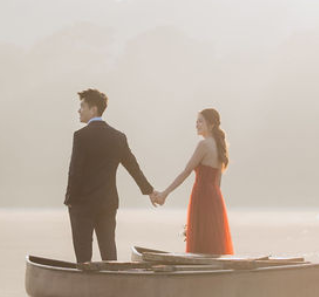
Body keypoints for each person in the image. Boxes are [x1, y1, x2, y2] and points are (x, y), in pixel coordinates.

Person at [64, 88, 157, 262]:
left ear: (94, 109)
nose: (79, 110)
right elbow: (133, 167)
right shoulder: (118, 137)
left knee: (84, 257)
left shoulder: (81, 136)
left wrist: (70, 199)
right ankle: (113, 284)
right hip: (107, 203)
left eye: (82, 106)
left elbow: (75, 172)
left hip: (82, 204)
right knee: (109, 252)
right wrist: (149, 190)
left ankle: (86, 287)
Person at [150, 108, 233, 255]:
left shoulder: (204, 145)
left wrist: (165, 193)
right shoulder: (219, 146)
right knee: (212, 237)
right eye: (196, 121)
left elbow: (186, 171)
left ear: (211, 125)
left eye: (200, 121)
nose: (197, 124)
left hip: (202, 195)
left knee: (202, 238)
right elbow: (218, 182)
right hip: (215, 197)